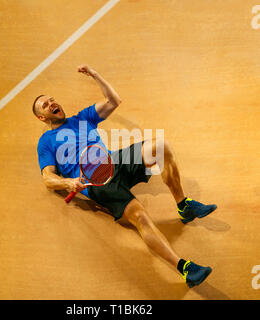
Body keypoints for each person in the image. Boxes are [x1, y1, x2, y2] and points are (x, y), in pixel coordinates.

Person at [33, 64, 217, 288]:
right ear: (42, 117)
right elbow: (47, 178)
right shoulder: (46, 142)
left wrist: (95, 75)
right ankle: (184, 268)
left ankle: (183, 205)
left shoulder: (82, 118)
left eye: (52, 99)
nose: (52, 103)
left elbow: (114, 101)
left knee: (161, 147)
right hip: (97, 184)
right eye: (45, 104)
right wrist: (68, 182)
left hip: (114, 162)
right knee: (140, 217)